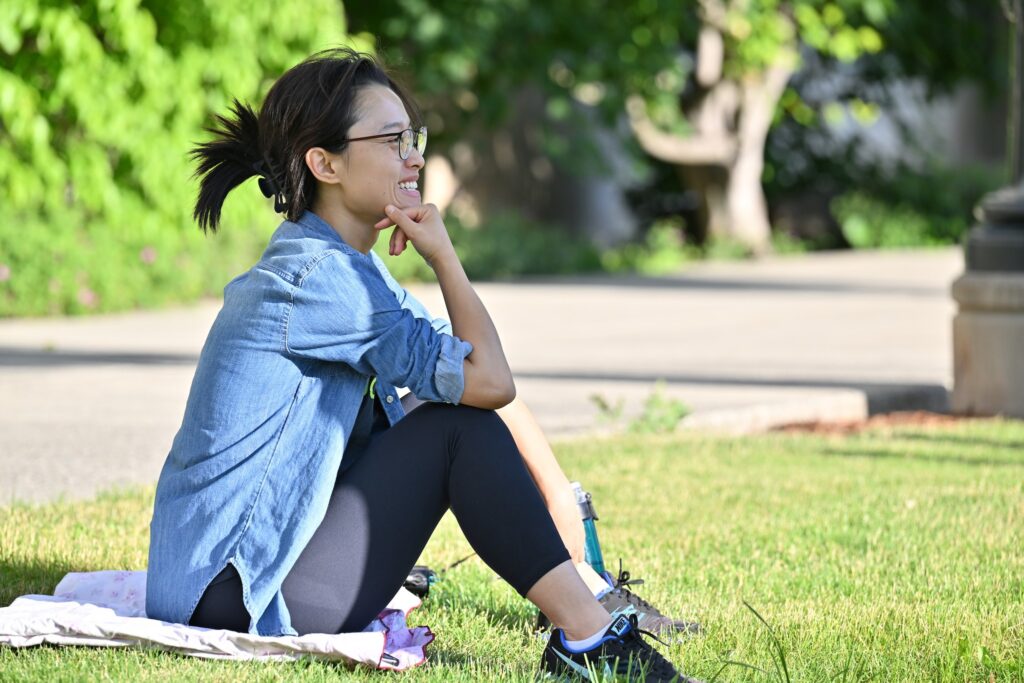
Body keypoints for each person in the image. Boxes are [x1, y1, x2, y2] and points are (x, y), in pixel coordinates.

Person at [144, 47, 698, 682]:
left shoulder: (347, 268)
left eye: (413, 136)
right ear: (324, 163)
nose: (414, 156)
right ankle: (592, 637)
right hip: (234, 597)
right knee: (457, 429)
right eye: (390, 139)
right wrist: (445, 259)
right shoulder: (322, 279)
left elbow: (472, 369)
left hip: (227, 581)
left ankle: (583, 603)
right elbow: (490, 385)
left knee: (444, 408)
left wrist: (559, 499)